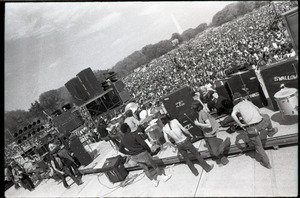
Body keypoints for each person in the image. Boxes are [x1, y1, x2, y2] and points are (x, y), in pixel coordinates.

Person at [231, 92, 278, 169]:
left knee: (259, 147)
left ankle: (267, 163)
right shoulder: (248, 102)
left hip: (252, 129)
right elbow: (259, 110)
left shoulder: (236, 107)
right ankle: (271, 131)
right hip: (261, 124)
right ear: (241, 98)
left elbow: (233, 115)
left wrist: (240, 124)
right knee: (266, 116)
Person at [119, 123, 171, 187]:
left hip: (134, 157)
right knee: (154, 166)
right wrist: (149, 150)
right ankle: (163, 177)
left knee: (145, 169)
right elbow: (144, 144)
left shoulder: (122, 140)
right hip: (142, 153)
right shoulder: (134, 134)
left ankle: (154, 181)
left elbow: (120, 150)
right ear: (127, 129)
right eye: (129, 127)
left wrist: (129, 153)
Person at [191, 100, 231, 165]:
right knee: (212, 151)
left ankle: (227, 141)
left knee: (215, 152)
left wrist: (198, 124)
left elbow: (209, 125)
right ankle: (224, 161)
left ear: (195, 109)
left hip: (210, 134)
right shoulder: (200, 113)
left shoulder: (203, 113)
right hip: (206, 134)